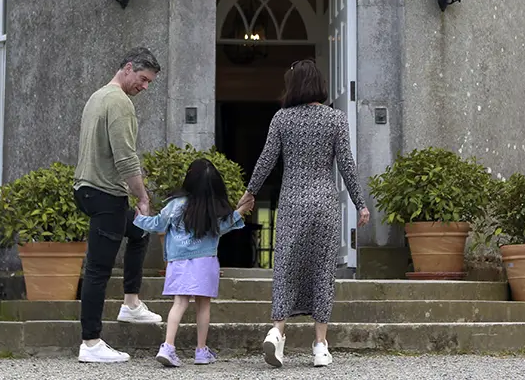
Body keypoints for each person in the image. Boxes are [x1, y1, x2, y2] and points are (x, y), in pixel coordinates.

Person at [237, 59, 370, 368]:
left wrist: (250, 193)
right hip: (324, 203)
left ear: (293, 86)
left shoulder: (282, 119)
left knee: (285, 266)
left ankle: (277, 332)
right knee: (323, 271)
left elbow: (266, 159)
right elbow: (347, 164)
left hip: (293, 202)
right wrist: (359, 203)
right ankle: (321, 345)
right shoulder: (335, 119)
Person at [73, 47, 164, 363]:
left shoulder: (97, 97)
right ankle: (91, 343)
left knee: (139, 232)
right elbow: (126, 158)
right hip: (105, 194)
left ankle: (131, 303)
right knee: (97, 270)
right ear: (127, 68)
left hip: (87, 190)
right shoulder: (120, 103)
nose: (145, 86)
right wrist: (142, 197)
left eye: (149, 82)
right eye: (143, 79)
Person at [133, 158, 255, 367]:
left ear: (189, 180)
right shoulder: (213, 208)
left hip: (178, 261)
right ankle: (200, 351)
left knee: (179, 303)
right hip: (205, 261)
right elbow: (224, 226)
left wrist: (139, 218)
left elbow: (158, 224)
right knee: (203, 305)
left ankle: (168, 347)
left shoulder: (176, 205)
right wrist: (240, 211)